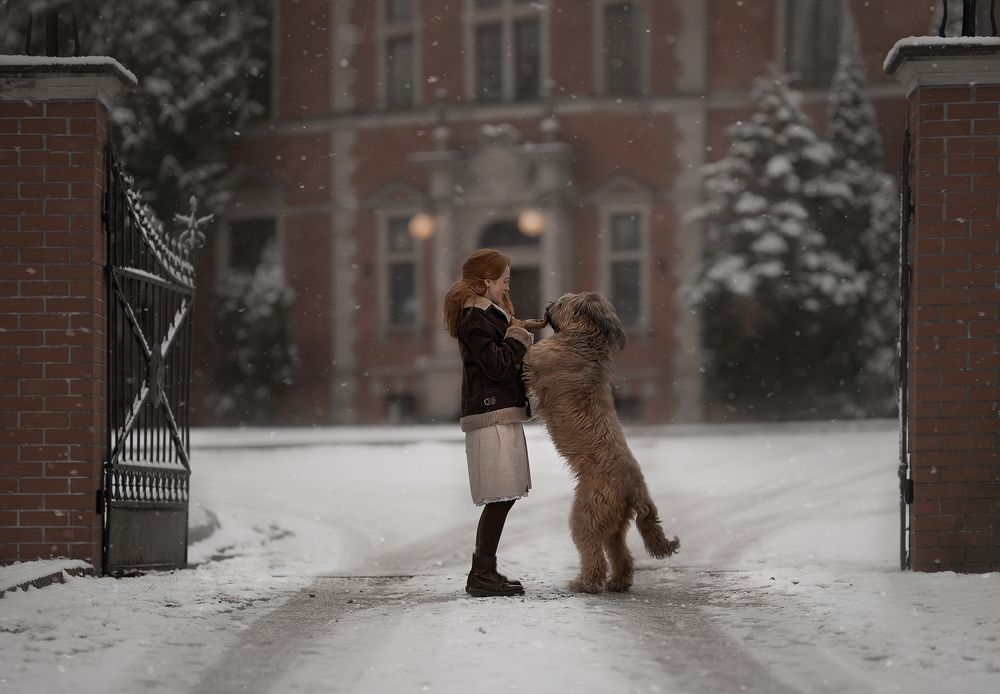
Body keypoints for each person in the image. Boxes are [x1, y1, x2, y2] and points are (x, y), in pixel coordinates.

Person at [443, 248, 545, 597]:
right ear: (486, 281)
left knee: (505, 495)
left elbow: (501, 348)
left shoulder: (488, 315)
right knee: (500, 497)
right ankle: (481, 573)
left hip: (500, 412)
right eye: (503, 281)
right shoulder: (474, 318)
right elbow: (498, 365)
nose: (506, 287)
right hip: (490, 416)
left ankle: (484, 571)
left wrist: (520, 328)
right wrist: (517, 337)